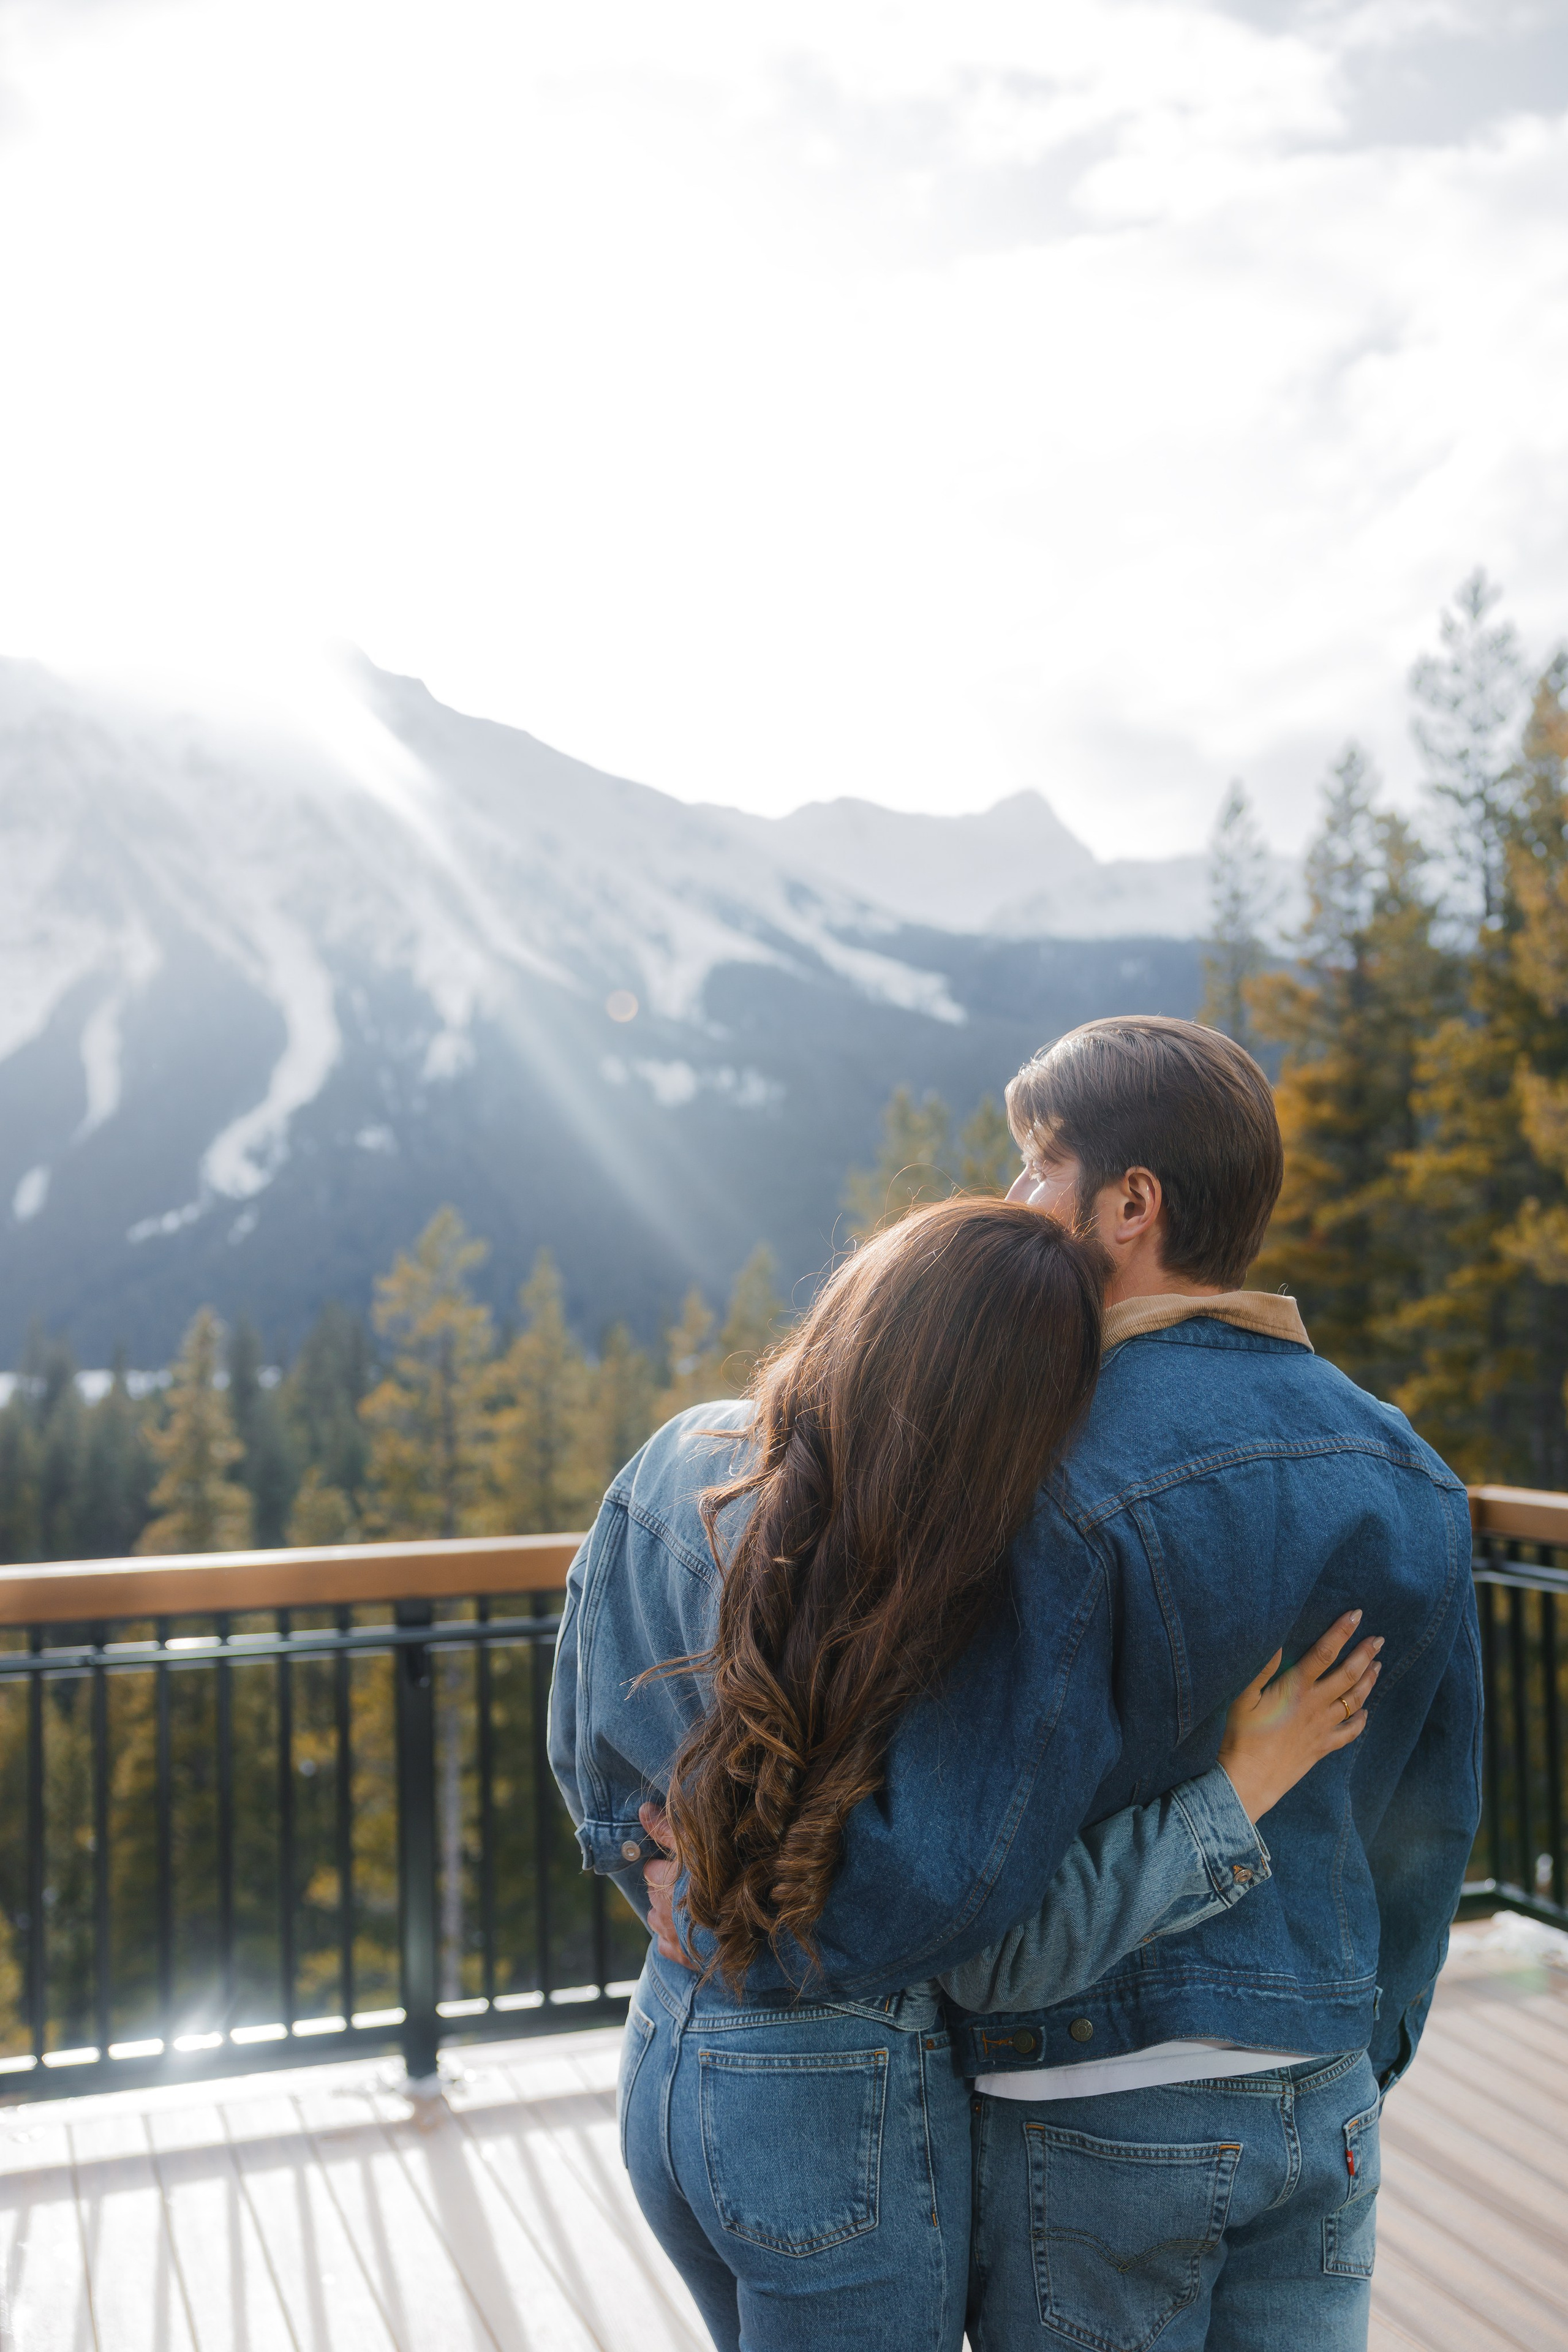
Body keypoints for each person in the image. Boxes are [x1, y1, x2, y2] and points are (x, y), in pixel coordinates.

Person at [550, 1191, 1383, 2350]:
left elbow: (580, 1723)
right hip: (837, 2093)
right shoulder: (933, 1591)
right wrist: (1234, 1794)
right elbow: (972, 1929)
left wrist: (653, 1864)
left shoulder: (678, 1455)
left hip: (671, 2050)